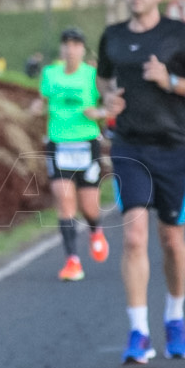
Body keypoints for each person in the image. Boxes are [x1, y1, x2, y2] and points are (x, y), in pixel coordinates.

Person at [96, 0, 185, 365]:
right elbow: (104, 81)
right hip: (130, 147)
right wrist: (109, 102)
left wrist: (171, 82)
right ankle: (138, 332)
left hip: (173, 148)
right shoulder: (112, 37)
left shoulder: (179, 35)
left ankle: (175, 317)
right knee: (133, 236)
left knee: (172, 241)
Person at [32, 27, 109, 282]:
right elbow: (42, 100)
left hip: (86, 143)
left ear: (83, 49)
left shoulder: (92, 75)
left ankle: (96, 230)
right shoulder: (50, 74)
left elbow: (111, 104)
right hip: (59, 143)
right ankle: (72, 261)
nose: (70, 49)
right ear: (61, 49)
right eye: (66, 44)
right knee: (64, 200)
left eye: (76, 44)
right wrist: (35, 107)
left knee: (89, 206)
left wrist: (98, 114)